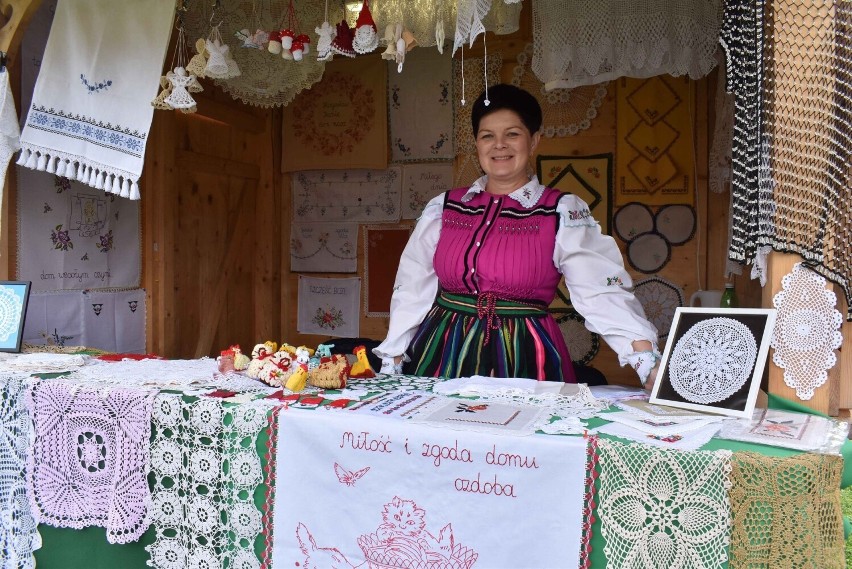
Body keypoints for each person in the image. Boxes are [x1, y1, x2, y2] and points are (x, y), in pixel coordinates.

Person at [374, 84, 661, 389]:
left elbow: (600, 291)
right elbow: (412, 284)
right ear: (477, 144)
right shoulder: (444, 208)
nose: (499, 145)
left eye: (512, 134)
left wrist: (645, 362)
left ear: (533, 140)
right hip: (442, 347)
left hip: (523, 354)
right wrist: (392, 355)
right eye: (488, 136)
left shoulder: (561, 211)